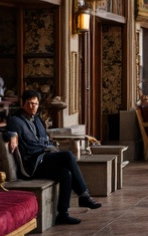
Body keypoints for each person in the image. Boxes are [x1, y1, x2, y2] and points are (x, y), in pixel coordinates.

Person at [5, 90, 101, 224]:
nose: (33, 107)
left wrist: (50, 148)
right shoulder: (16, 120)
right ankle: (84, 195)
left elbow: (45, 139)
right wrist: (12, 135)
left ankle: (63, 213)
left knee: (66, 174)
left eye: (36, 104)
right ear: (23, 103)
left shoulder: (37, 119)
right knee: (67, 155)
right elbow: (8, 131)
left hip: (44, 156)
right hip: (32, 163)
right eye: (30, 104)